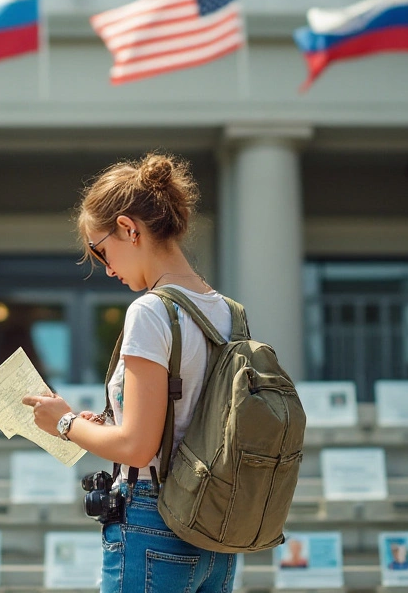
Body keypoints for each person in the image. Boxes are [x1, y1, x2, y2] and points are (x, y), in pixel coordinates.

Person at [22, 152, 236, 593]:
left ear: (127, 228)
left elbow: (138, 448)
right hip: (216, 527)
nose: (107, 268)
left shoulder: (152, 311)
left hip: (152, 519)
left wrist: (63, 424)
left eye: (101, 251)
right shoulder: (227, 311)